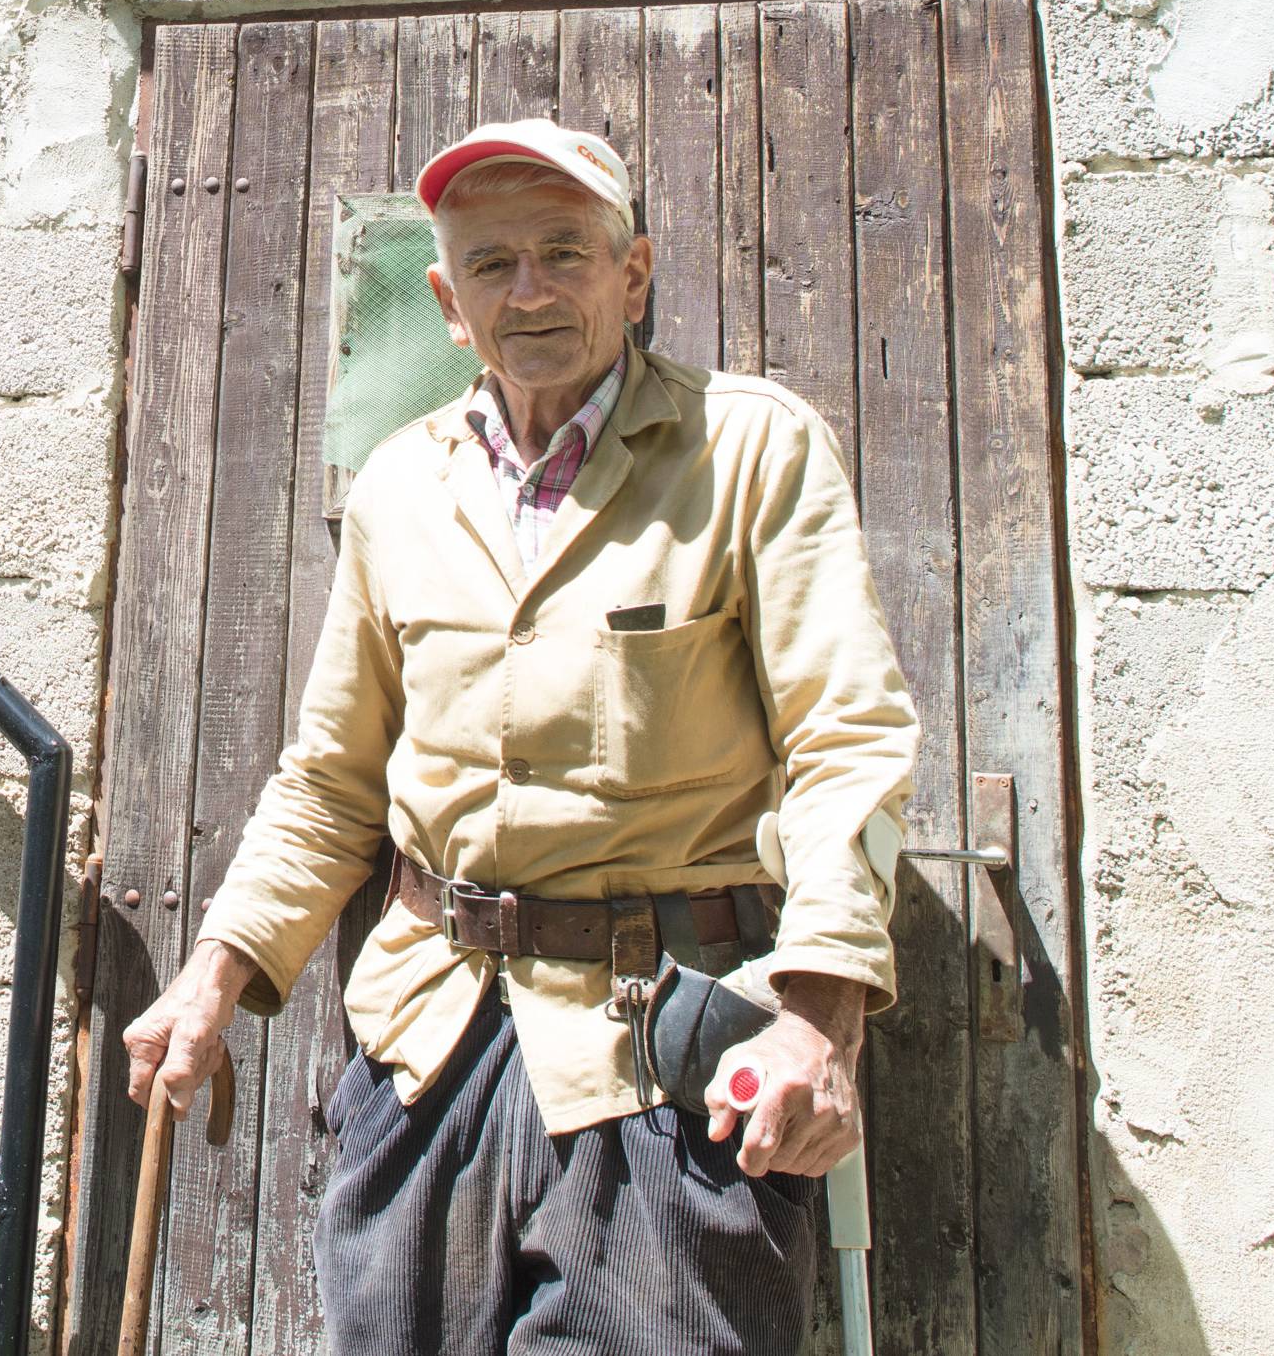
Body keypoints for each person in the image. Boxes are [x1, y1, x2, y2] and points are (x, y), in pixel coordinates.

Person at [125, 117, 918, 1354]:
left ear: (633, 274)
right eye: (493, 264)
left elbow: (848, 744)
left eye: (565, 251)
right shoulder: (400, 484)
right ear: (448, 302)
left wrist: (822, 1019)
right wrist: (213, 974)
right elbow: (333, 778)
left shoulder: (750, 448)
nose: (531, 288)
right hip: (426, 1044)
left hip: (658, 1059)